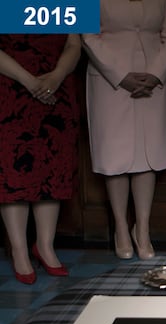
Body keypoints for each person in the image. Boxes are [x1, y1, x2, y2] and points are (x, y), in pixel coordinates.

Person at [82, 0, 166, 260]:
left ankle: (142, 229)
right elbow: (88, 37)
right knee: (115, 156)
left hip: (152, 82)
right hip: (109, 80)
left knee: (148, 155)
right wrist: (121, 74)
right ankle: (121, 229)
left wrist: (156, 73)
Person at [0, 34, 81, 284]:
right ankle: (19, 250)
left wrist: (57, 76)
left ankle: (45, 246)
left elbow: (74, 44)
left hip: (57, 89)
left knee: (53, 169)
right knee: (14, 171)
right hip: (10, 86)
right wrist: (29, 81)